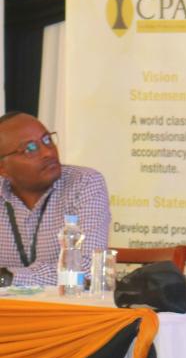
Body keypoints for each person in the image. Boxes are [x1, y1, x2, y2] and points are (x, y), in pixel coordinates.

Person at [0, 112, 111, 286]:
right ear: (2, 168)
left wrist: (8, 278)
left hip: (65, 308)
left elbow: (87, 269)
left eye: (47, 140)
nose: (47, 152)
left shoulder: (84, 183)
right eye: (30, 149)